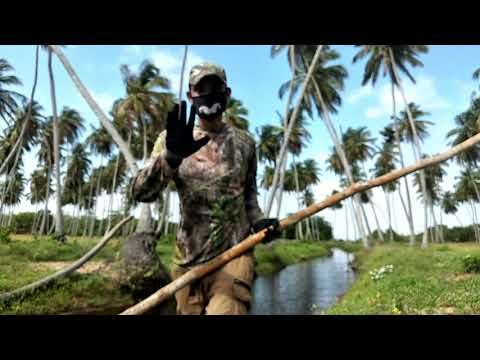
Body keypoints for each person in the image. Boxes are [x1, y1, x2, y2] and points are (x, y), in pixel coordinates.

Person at [131, 62, 280, 315]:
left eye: (216, 87)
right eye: (202, 89)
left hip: (234, 255)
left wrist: (259, 220)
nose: (209, 94)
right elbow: (141, 193)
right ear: (191, 95)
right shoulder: (171, 139)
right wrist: (171, 157)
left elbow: (250, 194)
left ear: (227, 93)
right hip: (187, 262)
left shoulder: (245, 143)